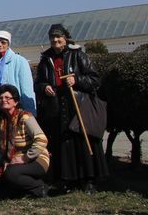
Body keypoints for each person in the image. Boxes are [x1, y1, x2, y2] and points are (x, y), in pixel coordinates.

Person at [34, 23, 108, 191]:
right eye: (52, 37)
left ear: (65, 38)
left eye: (58, 37)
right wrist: (44, 86)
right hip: (57, 107)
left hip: (78, 106)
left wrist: (77, 80)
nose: (55, 40)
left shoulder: (78, 55)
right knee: (64, 145)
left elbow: (95, 80)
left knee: (82, 142)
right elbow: (38, 82)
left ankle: (89, 180)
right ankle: (69, 179)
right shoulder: (46, 59)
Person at [0, 84, 50, 199]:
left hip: (35, 159)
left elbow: (41, 139)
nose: (3, 100)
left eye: (7, 97)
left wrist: (24, 158)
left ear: (15, 101)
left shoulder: (25, 117)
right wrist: (3, 161)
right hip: (11, 162)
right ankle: (21, 191)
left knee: (11, 174)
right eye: (0, 98)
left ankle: (39, 187)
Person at [0, 30, 35, 133]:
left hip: (13, 105)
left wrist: (30, 111)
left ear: (8, 44)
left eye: (3, 42)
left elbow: (26, 88)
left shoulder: (19, 61)